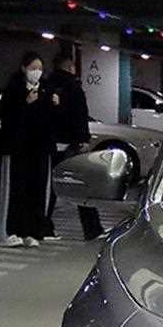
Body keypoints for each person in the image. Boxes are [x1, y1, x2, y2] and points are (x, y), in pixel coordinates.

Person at [0, 52, 57, 249]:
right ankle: (9, 231)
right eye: (33, 68)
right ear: (24, 69)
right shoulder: (13, 89)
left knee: (36, 190)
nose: (36, 72)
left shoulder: (46, 89)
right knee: (15, 190)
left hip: (39, 148)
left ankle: (31, 231)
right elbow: (7, 117)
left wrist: (53, 104)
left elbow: (50, 119)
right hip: (17, 149)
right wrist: (25, 104)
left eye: (39, 68)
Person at [46, 53, 104, 240]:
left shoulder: (47, 85)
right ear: (70, 67)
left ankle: (44, 226)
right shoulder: (73, 86)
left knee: (48, 186)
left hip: (52, 142)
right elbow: (79, 115)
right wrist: (83, 139)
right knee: (81, 184)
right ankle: (92, 229)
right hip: (72, 142)